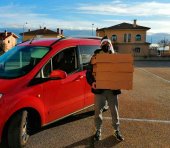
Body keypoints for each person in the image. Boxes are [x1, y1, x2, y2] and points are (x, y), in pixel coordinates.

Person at [86, 36, 124, 142]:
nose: (105, 45)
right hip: (99, 90)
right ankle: (98, 130)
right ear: (101, 45)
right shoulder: (95, 57)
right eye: (103, 43)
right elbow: (88, 72)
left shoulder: (116, 57)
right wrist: (92, 82)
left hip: (113, 90)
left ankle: (116, 130)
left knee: (114, 111)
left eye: (107, 43)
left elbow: (123, 72)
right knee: (98, 111)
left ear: (110, 45)